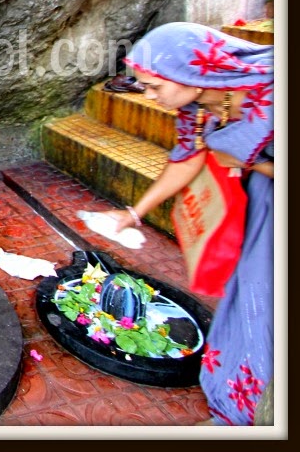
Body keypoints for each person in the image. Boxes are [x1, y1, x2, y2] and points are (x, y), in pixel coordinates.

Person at [101, 21, 273, 425]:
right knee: (251, 292)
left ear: (192, 75)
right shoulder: (195, 107)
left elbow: (239, 156)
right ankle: (238, 397)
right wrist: (133, 213)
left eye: (154, 86)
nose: (149, 95)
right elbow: (187, 159)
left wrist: (252, 162)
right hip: (261, 202)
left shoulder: (271, 94)